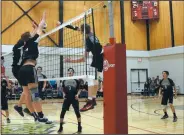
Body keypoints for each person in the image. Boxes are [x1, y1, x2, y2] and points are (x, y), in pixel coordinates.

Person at [12, 11, 51, 123]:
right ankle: (41, 115)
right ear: (30, 37)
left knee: (27, 94)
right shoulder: (34, 42)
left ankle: (36, 116)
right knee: (35, 93)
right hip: (29, 69)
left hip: (21, 71)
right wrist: (43, 17)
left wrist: (35, 28)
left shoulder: (23, 47)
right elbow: (40, 26)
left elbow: (34, 32)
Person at [57, 22, 103, 112]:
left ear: (83, 31)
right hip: (101, 56)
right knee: (95, 80)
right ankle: (93, 100)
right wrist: (63, 24)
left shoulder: (88, 42)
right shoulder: (92, 33)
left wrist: (70, 60)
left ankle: (90, 101)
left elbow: (83, 59)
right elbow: (76, 27)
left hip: (98, 58)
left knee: (90, 79)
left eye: (81, 31)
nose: (80, 32)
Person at [58, 68, 82, 133]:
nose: (70, 72)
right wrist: (63, 94)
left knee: (77, 112)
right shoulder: (64, 80)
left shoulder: (76, 80)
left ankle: (79, 126)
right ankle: (60, 127)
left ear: (73, 73)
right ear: (67, 72)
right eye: (69, 71)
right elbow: (62, 89)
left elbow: (80, 89)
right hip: (67, 98)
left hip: (74, 98)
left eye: (71, 71)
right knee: (63, 112)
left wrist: (77, 95)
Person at [1, 56, 11, 123]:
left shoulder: (4, 80)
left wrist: (7, 80)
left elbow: (9, 87)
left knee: (6, 108)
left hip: (3, 96)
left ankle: (7, 118)